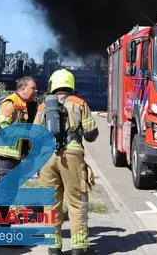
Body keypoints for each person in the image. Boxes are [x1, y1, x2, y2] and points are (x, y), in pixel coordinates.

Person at [34, 69, 99, 255]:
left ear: (52, 84)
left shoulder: (42, 107)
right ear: (71, 84)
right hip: (72, 155)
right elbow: (91, 134)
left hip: (47, 157)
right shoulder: (79, 103)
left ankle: (53, 248)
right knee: (77, 202)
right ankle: (79, 247)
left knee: (51, 204)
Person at [0, 76, 38, 241]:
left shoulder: (26, 104)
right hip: (5, 153)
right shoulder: (11, 102)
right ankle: (2, 233)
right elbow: (2, 125)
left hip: (13, 155)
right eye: (33, 88)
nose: (35, 91)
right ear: (23, 89)